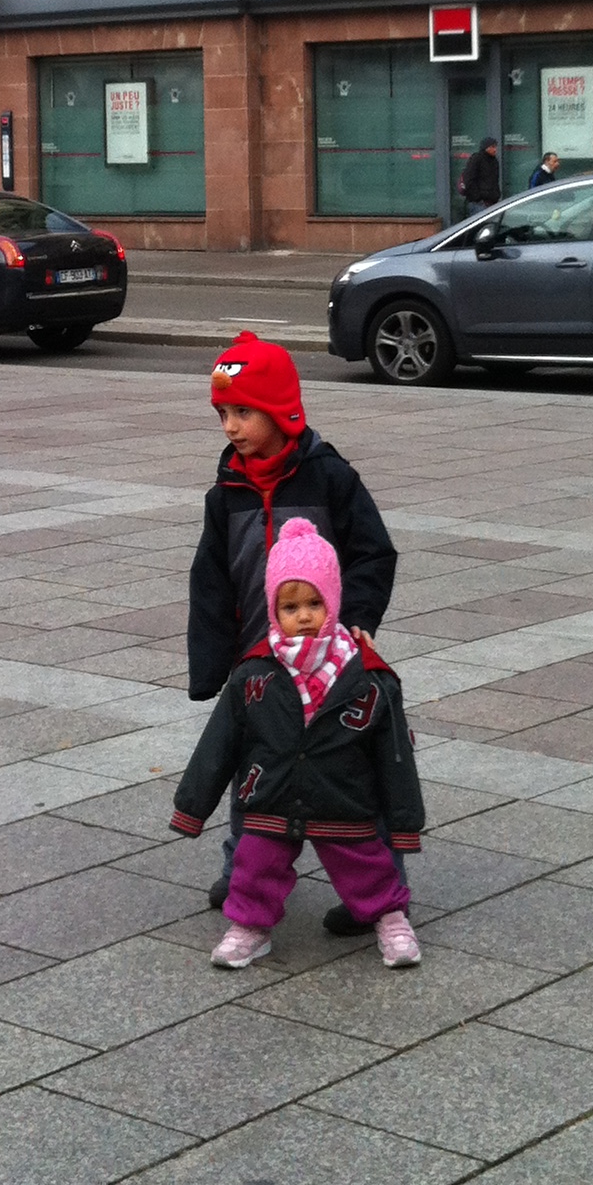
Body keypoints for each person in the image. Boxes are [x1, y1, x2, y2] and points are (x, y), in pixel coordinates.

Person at [187, 332, 398, 932]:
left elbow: (373, 552)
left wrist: (359, 621)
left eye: (243, 411)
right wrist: (214, 665)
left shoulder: (329, 478)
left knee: (349, 774)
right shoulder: (226, 491)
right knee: (252, 771)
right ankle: (243, 870)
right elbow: (210, 583)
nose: (230, 426)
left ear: (282, 411)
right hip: (261, 662)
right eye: (223, 413)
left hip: (332, 659)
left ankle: (378, 889)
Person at [173, 518, 423, 970]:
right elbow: (219, 743)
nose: (303, 616)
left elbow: (395, 756)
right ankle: (250, 926)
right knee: (255, 865)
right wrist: (192, 806)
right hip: (272, 795)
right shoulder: (254, 673)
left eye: (314, 603)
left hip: (343, 796)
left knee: (366, 865)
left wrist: (405, 820)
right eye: (290, 607)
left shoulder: (368, 678)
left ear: (334, 602)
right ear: (274, 610)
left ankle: (390, 918)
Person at [458, 137, 501, 213]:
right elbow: (468, 179)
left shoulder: (494, 161)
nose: (495, 149)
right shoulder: (477, 159)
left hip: (492, 202)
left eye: (495, 147)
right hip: (479, 203)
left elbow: (494, 181)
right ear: (486, 148)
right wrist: (477, 197)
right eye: (492, 147)